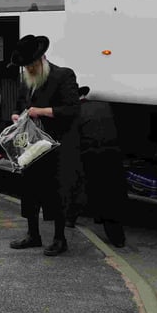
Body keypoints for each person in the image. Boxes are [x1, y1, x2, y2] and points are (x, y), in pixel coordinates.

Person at [9, 34, 80, 257]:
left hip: (55, 146)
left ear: (42, 59)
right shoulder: (25, 80)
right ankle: (33, 234)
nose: (28, 70)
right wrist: (16, 116)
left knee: (55, 194)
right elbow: (21, 105)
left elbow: (72, 109)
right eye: (25, 67)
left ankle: (60, 239)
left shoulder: (63, 75)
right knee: (29, 191)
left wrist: (41, 111)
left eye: (31, 65)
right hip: (30, 148)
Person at [68, 86, 126, 247]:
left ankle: (70, 219)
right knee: (111, 194)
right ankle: (118, 238)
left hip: (91, 154)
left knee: (82, 187)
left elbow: (72, 139)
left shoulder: (75, 112)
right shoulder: (104, 105)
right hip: (112, 153)